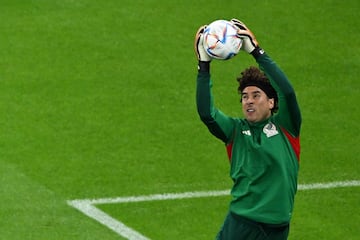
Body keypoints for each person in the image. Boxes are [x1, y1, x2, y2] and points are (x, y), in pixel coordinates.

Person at [194, 19, 302, 240]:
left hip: (276, 229)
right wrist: (203, 66)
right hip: (241, 224)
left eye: (256, 95)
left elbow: (288, 93)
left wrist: (257, 52)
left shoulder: (286, 128)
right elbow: (207, 113)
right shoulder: (234, 132)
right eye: (244, 97)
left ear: (271, 102)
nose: (248, 101)